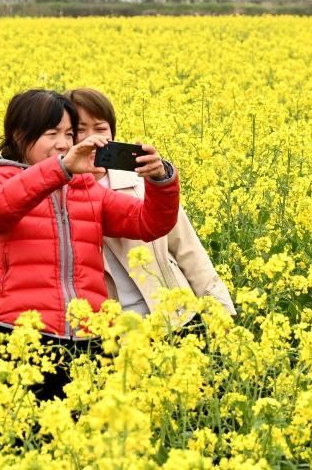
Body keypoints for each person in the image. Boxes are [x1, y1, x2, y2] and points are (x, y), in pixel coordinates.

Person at [0, 88, 179, 400]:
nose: (63, 143)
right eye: (51, 133)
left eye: (69, 133)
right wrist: (61, 169)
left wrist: (160, 179)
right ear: (19, 134)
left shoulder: (85, 188)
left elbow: (149, 224)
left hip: (89, 338)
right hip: (21, 335)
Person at [68, 87, 235, 330]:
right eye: (80, 130)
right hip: (111, 335)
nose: (91, 138)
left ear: (113, 134)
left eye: (100, 128)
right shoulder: (58, 195)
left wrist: (219, 309)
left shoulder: (144, 184)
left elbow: (187, 248)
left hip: (174, 318)